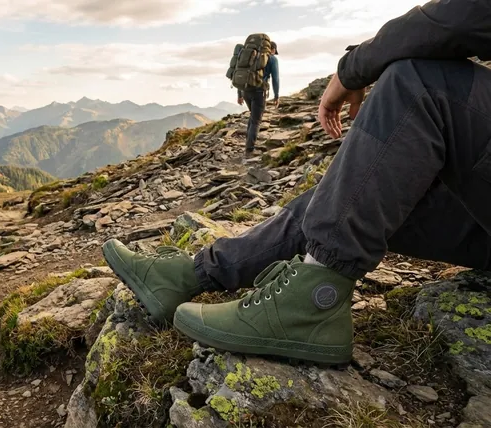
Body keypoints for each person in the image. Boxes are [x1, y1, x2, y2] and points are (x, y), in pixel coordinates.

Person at [102, 0, 491, 365]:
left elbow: (462, 16)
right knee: (347, 198)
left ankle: (312, 306)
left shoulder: (250, 53)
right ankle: (191, 276)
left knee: (416, 82)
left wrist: (351, 68)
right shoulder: (269, 56)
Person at [238, 40, 280, 159]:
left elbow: (241, 72)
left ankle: (248, 143)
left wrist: (239, 94)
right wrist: (276, 95)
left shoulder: (249, 56)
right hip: (259, 92)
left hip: (245, 91)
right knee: (256, 120)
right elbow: (275, 79)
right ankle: (250, 150)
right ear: (272, 49)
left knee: (253, 116)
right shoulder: (272, 59)